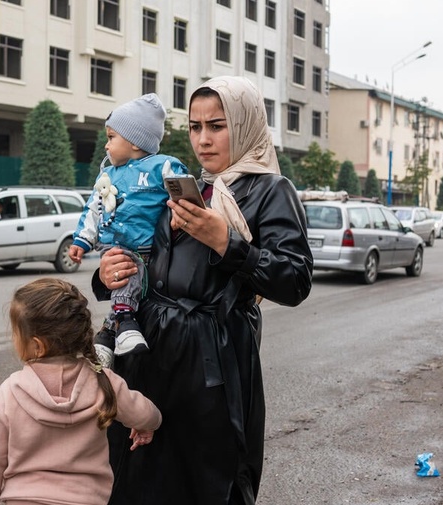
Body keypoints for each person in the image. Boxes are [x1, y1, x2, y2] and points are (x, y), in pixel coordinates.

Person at [94, 76, 313, 504]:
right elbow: (147, 260)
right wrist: (108, 274)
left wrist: (226, 243)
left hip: (214, 361)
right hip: (150, 351)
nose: (203, 140)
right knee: (137, 473)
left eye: (217, 126)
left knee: (206, 478)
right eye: (195, 127)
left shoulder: (269, 190)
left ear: (246, 124)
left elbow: (295, 281)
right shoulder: (181, 185)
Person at [0, 278, 162, 505]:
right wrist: (146, 425)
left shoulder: (10, 393)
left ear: (37, 345)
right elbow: (148, 414)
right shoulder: (102, 381)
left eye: (15, 332)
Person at [69, 93, 188, 369]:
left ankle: (119, 328)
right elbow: (93, 209)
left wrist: (182, 213)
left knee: (129, 274)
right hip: (114, 247)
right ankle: (114, 333)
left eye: (112, 138)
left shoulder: (163, 166)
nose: (107, 146)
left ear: (134, 140)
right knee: (122, 275)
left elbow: (184, 193)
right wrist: (82, 240)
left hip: (144, 249)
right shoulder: (107, 175)